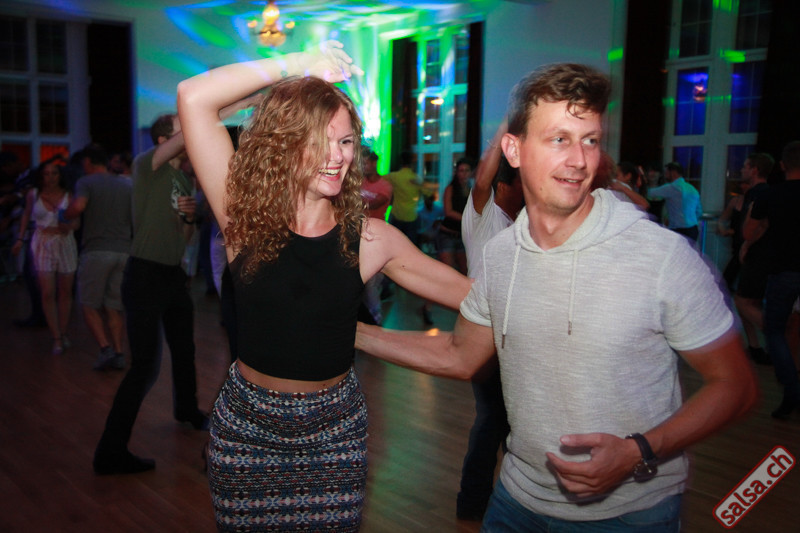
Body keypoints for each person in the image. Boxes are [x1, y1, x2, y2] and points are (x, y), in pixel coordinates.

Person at [356, 63, 757, 531]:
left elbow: (736, 386)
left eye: (590, 140)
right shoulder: (501, 255)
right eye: (559, 139)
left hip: (628, 515)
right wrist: (348, 332)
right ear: (514, 150)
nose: (580, 160)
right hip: (515, 500)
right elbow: (459, 354)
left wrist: (638, 451)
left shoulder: (660, 255)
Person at [176, 40, 470, 531]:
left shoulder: (372, 239)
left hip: (335, 432)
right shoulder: (244, 218)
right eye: (320, 141)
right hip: (248, 429)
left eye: (346, 142)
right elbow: (193, 96)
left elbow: (476, 298)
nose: (338, 157)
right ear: (283, 145)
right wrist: (298, 64)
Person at [92, 112, 215, 476]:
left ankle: (187, 410)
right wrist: (212, 109)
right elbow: (193, 128)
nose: (188, 134)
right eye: (180, 129)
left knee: (184, 349)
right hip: (144, 274)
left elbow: (184, 238)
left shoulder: (183, 178)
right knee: (144, 367)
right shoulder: (149, 165)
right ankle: (110, 452)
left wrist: (189, 219)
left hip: (172, 276)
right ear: (164, 141)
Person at [456, 120, 523, 521]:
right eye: (521, 184)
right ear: (503, 186)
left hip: (513, 334)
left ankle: (507, 502)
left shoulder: (522, 224)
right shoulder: (484, 214)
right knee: (493, 420)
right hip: (482, 332)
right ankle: (473, 504)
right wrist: (505, 128)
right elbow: (483, 176)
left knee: (510, 421)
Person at [60, 143, 132, 371]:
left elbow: (78, 207)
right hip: (123, 251)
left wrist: (64, 214)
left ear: (88, 162)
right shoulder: (126, 184)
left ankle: (105, 349)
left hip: (96, 251)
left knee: (89, 304)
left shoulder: (86, 182)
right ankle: (119, 353)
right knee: (114, 306)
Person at [744, 140, 800, 420]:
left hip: (784, 271)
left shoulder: (772, 195)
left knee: (775, 330)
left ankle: (792, 390)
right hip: (786, 272)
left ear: (782, 165)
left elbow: (749, 232)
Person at [12, 160, 79, 355]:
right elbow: (26, 215)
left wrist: (70, 226)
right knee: (47, 292)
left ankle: (63, 332)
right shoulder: (34, 194)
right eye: (46, 174)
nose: (50, 178)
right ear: (41, 176)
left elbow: (77, 221)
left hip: (64, 241)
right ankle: (56, 336)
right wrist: (20, 239)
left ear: (60, 175)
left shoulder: (69, 195)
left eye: (54, 173)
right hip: (43, 241)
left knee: (65, 291)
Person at [735, 152, 774, 365]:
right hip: (759, 255)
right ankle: (755, 347)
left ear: (755, 170)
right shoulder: (759, 192)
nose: (742, 170)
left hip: (758, 256)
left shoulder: (760, 193)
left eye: (745, 166)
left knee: (742, 302)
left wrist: (747, 244)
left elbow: (763, 224)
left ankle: (778, 336)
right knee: (750, 302)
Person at [360, 147, 393, 324]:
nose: (363, 166)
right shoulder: (360, 182)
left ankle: (376, 318)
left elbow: (374, 204)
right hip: (359, 234)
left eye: (365, 163)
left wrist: (353, 201)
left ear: (374, 163)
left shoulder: (385, 186)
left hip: (376, 236)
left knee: (371, 282)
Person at [648, 161, 702, 242]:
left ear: (673, 173)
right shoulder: (692, 189)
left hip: (679, 230)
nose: (665, 175)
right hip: (693, 229)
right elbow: (699, 211)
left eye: (666, 172)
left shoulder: (672, 188)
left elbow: (650, 193)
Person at [716, 179, 749, 292]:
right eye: (742, 183)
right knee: (733, 270)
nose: (744, 186)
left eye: (746, 184)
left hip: (747, 241)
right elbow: (722, 219)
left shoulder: (754, 200)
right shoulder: (735, 201)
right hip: (737, 241)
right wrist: (724, 231)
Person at [385, 150, 423, 244]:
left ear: (401, 161)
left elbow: (378, 179)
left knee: (394, 244)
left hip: (397, 214)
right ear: (412, 162)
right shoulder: (417, 178)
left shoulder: (394, 176)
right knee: (410, 244)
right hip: (411, 215)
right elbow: (427, 193)